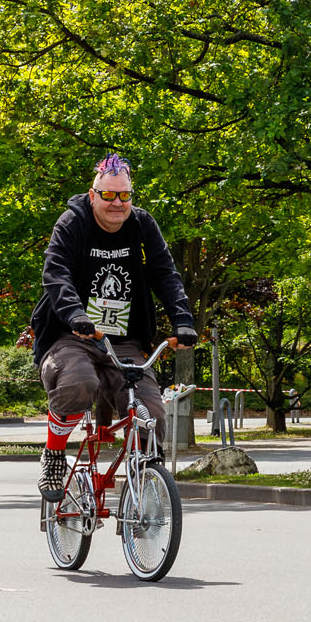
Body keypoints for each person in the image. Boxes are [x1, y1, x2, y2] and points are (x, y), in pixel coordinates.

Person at [30, 153, 198, 501]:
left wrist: (182, 320)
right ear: (93, 195)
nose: (117, 203)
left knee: (149, 412)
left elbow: (165, 274)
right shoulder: (72, 223)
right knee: (80, 382)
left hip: (123, 339)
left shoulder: (142, 225)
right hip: (70, 334)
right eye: (108, 195)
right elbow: (56, 273)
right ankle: (54, 453)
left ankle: (146, 480)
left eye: (124, 195)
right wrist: (75, 314)